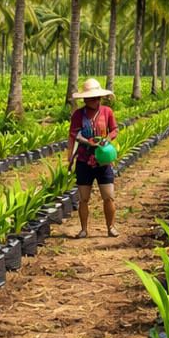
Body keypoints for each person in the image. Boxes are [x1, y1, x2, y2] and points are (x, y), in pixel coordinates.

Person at [67, 77, 120, 238]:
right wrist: (88, 143)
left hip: (103, 161)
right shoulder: (78, 114)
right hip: (84, 161)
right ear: (85, 99)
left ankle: (110, 227)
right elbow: (74, 134)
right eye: (92, 98)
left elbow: (114, 130)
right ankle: (84, 229)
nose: (96, 101)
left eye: (98, 97)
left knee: (108, 196)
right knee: (84, 198)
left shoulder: (107, 112)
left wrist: (106, 140)